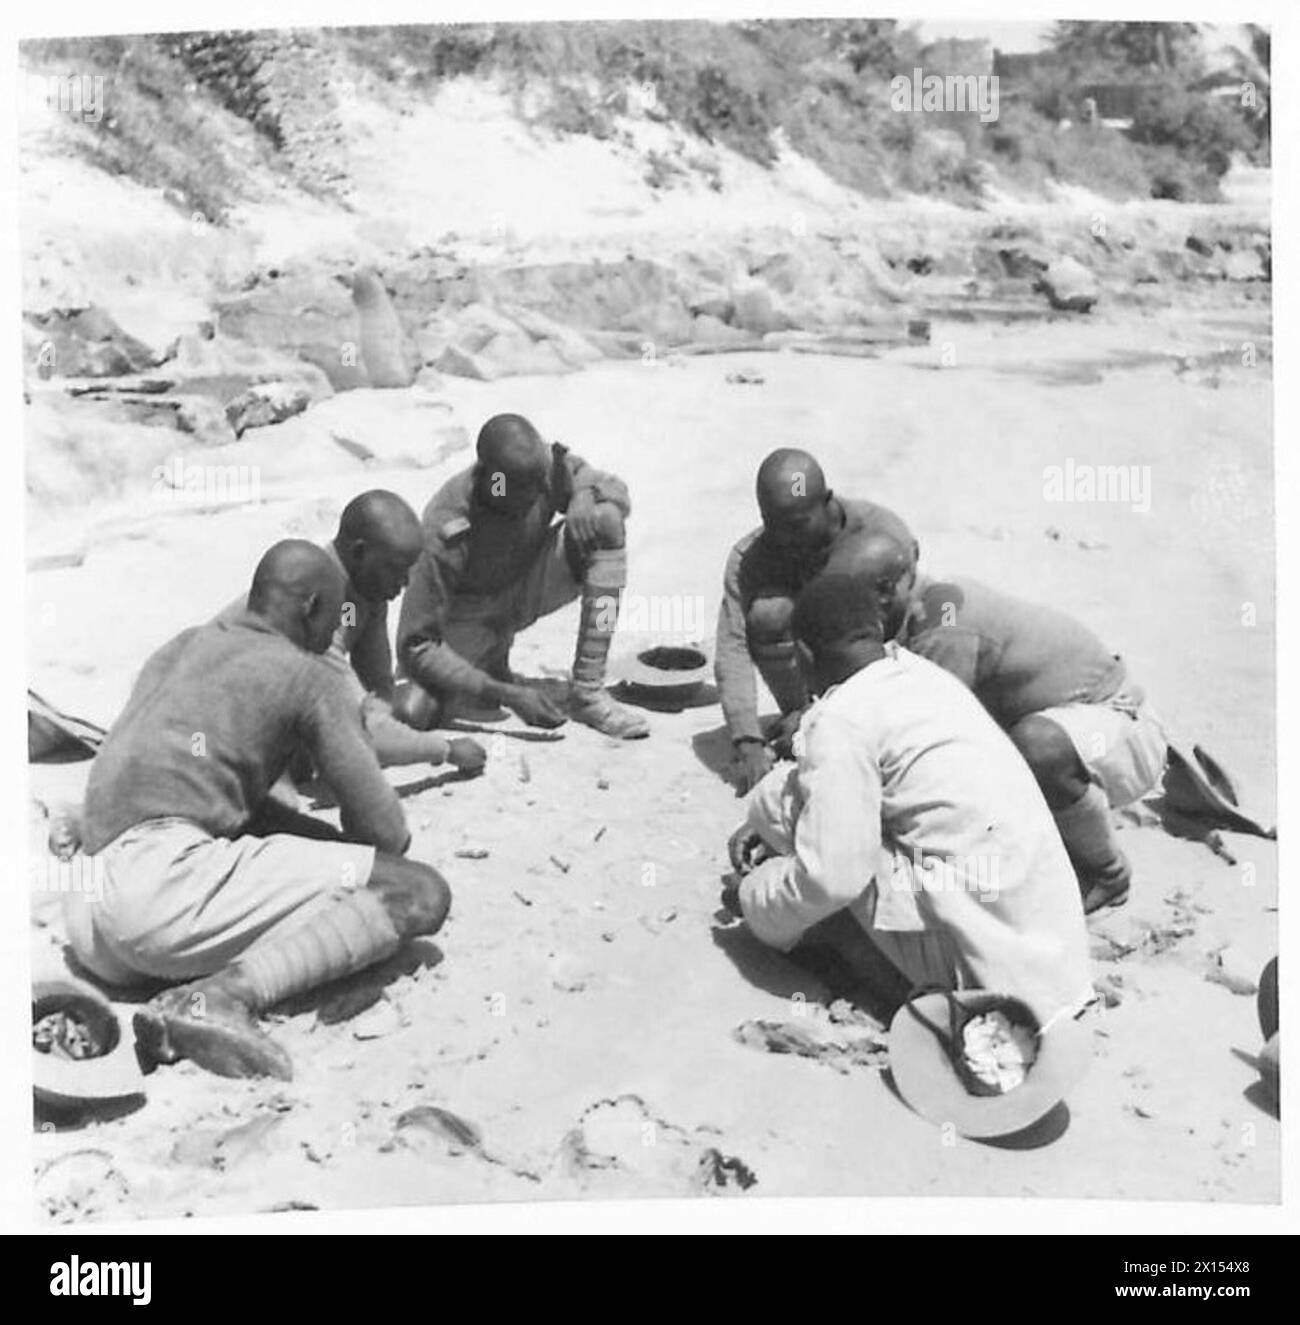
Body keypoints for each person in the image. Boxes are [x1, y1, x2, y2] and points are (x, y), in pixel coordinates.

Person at [67, 541, 451, 1081]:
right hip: (155, 900)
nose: (332, 635)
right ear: (312, 607)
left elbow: (218, 799)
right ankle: (219, 999)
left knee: (300, 860)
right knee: (416, 891)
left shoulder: (183, 647)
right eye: (332, 617)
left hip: (87, 911)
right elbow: (385, 832)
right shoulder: (307, 676)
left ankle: (197, 979)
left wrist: (312, 843)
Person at [726, 573, 1093, 1028]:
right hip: (1051, 950)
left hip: (986, 972)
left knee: (778, 816)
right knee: (796, 804)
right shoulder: (922, 676)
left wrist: (758, 903)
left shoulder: (842, 720)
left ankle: (881, 975)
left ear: (802, 655)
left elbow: (835, 879)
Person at [842, 531, 1166, 912]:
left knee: (1034, 748)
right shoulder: (933, 601)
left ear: (884, 592)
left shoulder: (942, 624)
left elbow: (927, 740)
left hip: (1117, 727)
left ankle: (1106, 873)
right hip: (1078, 722)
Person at [391, 414, 648, 739]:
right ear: (494, 482)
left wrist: (585, 494)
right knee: (415, 709)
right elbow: (416, 645)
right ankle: (489, 664)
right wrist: (509, 695)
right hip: (468, 621)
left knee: (605, 521)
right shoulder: (446, 526)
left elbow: (613, 489)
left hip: (523, 590)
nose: (540, 494)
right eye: (527, 492)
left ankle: (588, 691)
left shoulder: (535, 470)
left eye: (542, 485)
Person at [216, 490, 485, 777]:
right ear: (359, 553)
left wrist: (386, 726)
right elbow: (362, 730)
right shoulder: (314, 602)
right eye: (395, 570)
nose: (404, 583)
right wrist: (444, 750)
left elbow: (376, 688)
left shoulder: (365, 590)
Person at [714, 448, 916, 792]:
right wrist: (747, 738)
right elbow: (733, 641)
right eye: (773, 525)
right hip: (814, 659)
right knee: (769, 613)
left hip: (874, 672)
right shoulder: (752, 556)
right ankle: (800, 713)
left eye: (797, 525)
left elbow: (904, 632)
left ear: (827, 502)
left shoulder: (880, 535)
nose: (785, 539)